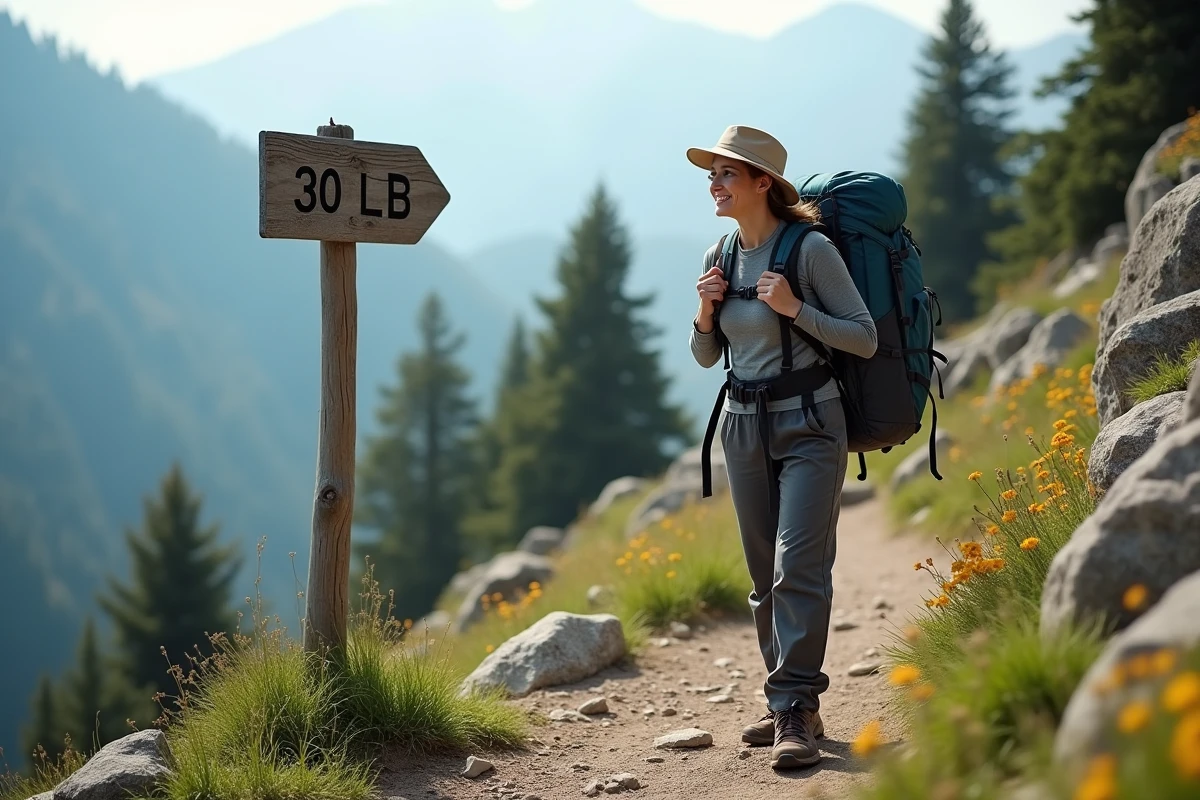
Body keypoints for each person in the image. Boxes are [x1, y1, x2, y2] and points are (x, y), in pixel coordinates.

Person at [686, 125, 878, 770]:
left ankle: (795, 705)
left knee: (797, 565)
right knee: (762, 574)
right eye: (711, 175)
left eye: (726, 175)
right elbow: (706, 356)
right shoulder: (720, 251)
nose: (714, 184)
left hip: (812, 422)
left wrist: (795, 308)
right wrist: (705, 316)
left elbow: (864, 338)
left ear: (762, 182)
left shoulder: (811, 249)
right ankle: (785, 703)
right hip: (743, 424)